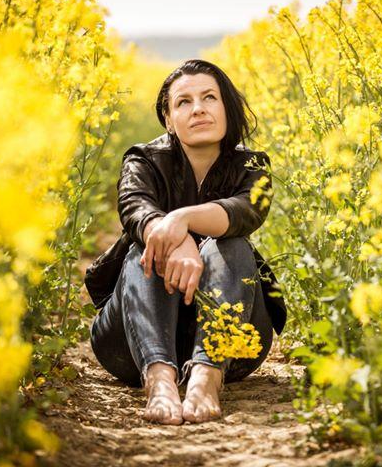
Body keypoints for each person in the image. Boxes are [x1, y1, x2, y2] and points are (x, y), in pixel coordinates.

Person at [89, 59, 287, 426]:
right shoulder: (143, 160)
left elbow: (245, 212)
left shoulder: (253, 165)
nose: (198, 109)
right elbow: (134, 208)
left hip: (235, 347)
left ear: (226, 107)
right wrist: (172, 238)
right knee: (146, 248)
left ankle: (206, 376)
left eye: (209, 97)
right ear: (168, 119)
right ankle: (159, 379)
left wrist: (180, 219)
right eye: (183, 102)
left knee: (233, 245)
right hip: (128, 344)